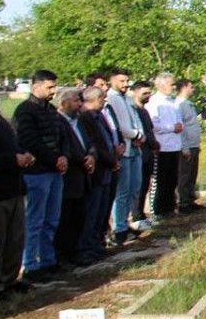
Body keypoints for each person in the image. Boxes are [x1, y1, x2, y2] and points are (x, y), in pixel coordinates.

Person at [14, 71, 67, 281]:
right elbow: (30, 140)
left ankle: (47, 260)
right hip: (37, 173)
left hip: (54, 171)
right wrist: (54, 158)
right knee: (35, 220)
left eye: (54, 87)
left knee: (51, 219)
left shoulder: (51, 110)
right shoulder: (25, 110)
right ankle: (30, 265)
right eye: (49, 87)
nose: (53, 91)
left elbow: (60, 136)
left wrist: (62, 156)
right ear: (36, 87)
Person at [0, 76, 31, 293]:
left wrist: (22, 155)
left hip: (13, 186)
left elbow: (12, 144)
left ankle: (10, 279)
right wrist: (11, 160)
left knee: (14, 237)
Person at [77, 86, 119, 266]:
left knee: (102, 210)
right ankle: (87, 247)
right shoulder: (86, 118)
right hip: (98, 170)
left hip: (107, 170)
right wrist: (110, 160)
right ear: (92, 99)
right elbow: (95, 144)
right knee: (92, 211)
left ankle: (96, 244)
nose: (104, 100)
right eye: (101, 97)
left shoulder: (99, 116)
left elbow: (107, 138)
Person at [52, 88, 94, 268]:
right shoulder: (58, 121)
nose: (80, 104)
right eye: (76, 101)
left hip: (83, 175)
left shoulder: (79, 121)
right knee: (65, 219)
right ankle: (62, 256)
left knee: (78, 217)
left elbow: (90, 142)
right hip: (69, 176)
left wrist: (92, 155)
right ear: (64, 103)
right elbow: (64, 147)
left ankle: (76, 252)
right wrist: (82, 159)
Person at [104, 69, 144, 243]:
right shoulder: (111, 99)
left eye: (126, 81)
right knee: (123, 190)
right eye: (121, 81)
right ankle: (119, 227)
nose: (125, 84)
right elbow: (121, 126)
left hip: (135, 147)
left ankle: (125, 221)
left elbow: (135, 119)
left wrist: (141, 135)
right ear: (112, 81)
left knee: (134, 187)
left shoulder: (127, 98)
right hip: (125, 148)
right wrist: (135, 135)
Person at [146, 73, 183, 217]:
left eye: (174, 84)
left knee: (172, 179)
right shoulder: (155, 102)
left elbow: (179, 120)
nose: (173, 87)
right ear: (160, 85)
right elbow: (154, 124)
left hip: (174, 145)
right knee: (161, 179)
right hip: (161, 146)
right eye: (170, 84)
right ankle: (159, 209)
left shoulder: (172, 102)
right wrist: (172, 127)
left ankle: (169, 207)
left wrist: (179, 126)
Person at [131, 81, 158, 226]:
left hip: (149, 152)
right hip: (139, 152)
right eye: (144, 93)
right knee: (138, 186)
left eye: (149, 93)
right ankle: (136, 216)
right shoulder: (133, 111)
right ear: (135, 92)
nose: (148, 96)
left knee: (146, 184)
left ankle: (141, 214)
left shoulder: (144, 111)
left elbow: (150, 130)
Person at [175, 79, 202, 212]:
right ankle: (183, 203)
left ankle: (190, 200)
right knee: (184, 175)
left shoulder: (188, 104)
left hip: (194, 144)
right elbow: (181, 127)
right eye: (191, 86)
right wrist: (184, 147)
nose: (193, 89)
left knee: (192, 174)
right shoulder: (179, 104)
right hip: (187, 146)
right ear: (184, 87)